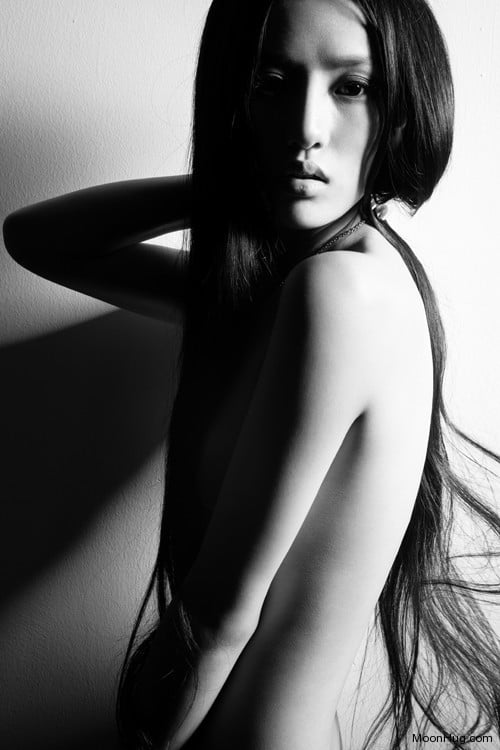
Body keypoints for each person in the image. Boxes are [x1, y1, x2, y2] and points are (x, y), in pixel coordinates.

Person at [3, 0, 500, 748]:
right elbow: (38, 240)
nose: (307, 129)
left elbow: (216, 619)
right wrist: (228, 185)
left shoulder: (340, 292)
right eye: (272, 83)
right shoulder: (277, 290)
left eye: (352, 86)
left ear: (402, 107)